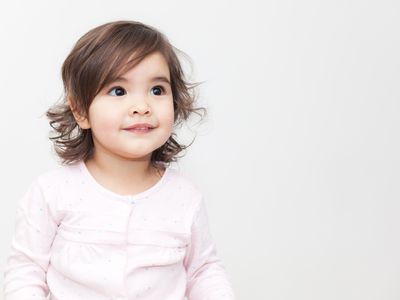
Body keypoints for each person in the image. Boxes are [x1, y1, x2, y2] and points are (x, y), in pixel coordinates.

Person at [3, 20, 235, 300]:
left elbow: (203, 271)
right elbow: (26, 271)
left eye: (157, 90)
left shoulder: (185, 197)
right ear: (81, 112)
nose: (141, 107)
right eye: (118, 91)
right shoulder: (52, 192)